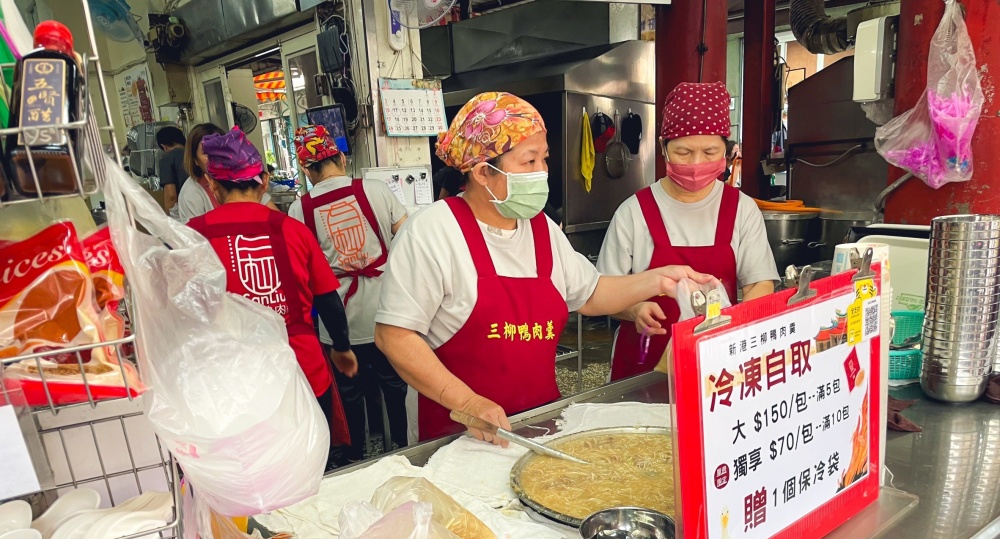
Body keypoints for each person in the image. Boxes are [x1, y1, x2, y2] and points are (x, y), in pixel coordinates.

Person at [375, 91, 715, 445]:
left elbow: (592, 294)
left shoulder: (542, 229)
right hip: (455, 435)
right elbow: (394, 336)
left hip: (540, 426)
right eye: (529, 162)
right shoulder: (432, 232)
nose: (542, 173)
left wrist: (662, 278)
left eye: (545, 159)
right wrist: (465, 401)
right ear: (482, 172)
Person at [186, 127, 358, 466]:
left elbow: (185, 310)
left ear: (213, 185)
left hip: (231, 374)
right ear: (264, 180)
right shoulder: (291, 229)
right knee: (310, 462)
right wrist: (341, 348)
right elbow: (328, 300)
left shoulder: (192, 234)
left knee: (254, 465)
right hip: (301, 367)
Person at [597, 81, 778, 382]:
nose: (696, 164)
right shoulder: (634, 211)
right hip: (644, 365)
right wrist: (633, 308)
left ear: (728, 151)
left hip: (719, 368)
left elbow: (760, 285)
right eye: (683, 152)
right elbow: (604, 291)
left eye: (710, 152)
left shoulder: (741, 209)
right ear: (663, 149)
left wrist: (736, 330)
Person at [288, 125, 410, 461]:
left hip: (337, 317)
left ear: (307, 170)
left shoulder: (300, 210)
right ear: (341, 157)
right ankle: (400, 446)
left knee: (350, 392)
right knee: (394, 384)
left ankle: (357, 455)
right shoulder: (375, 189)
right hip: (386, 310)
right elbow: (405, 236)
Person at [177, 123, 274, 221]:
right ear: (195, 160)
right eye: (206, 154)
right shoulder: (190, 193)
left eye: (220, 152)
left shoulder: (245, 180)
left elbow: (275, 217)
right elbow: (194, 234)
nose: (214, 158)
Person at [156, 125, 188, 216]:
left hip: (186, 212)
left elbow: (171, 196)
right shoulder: (194, 153)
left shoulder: (168, 158)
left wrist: (170, 223)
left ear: (164, 147)